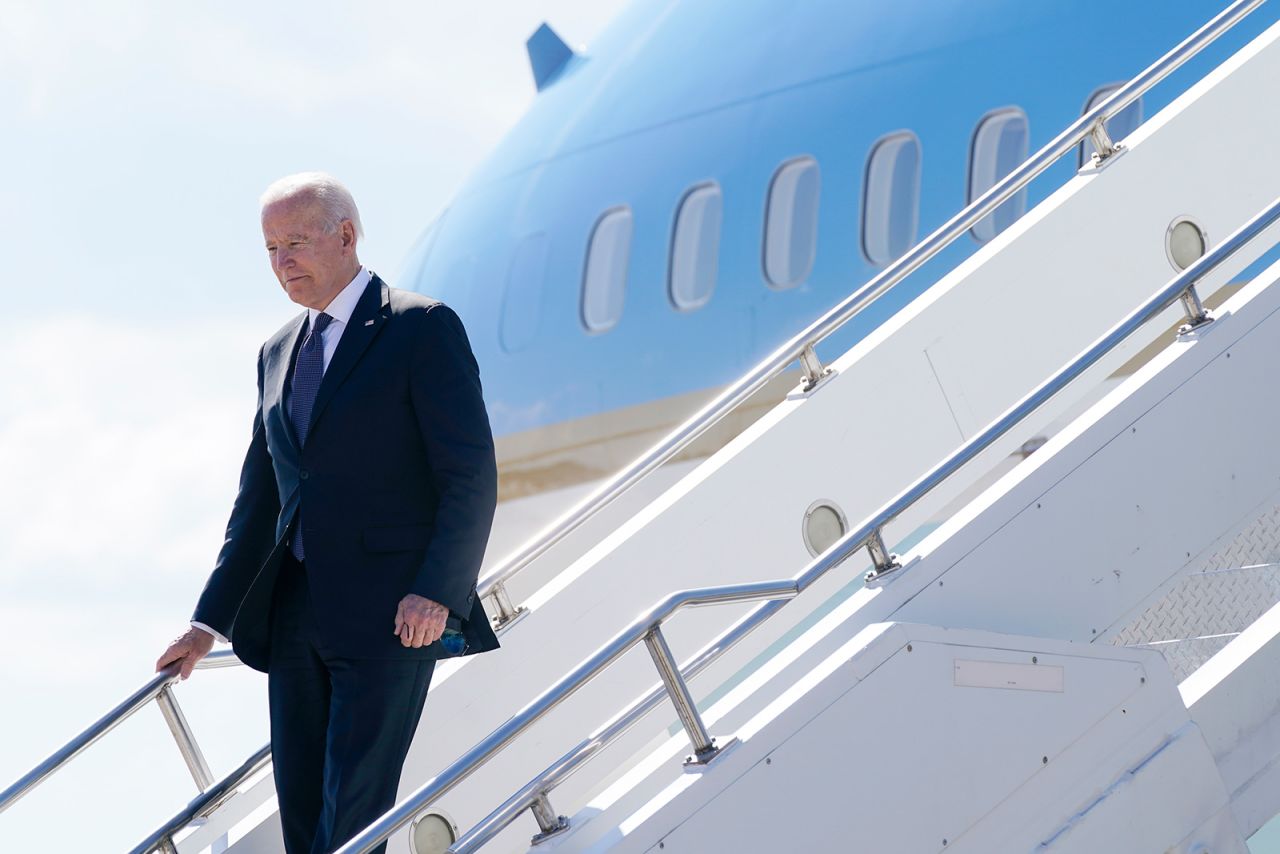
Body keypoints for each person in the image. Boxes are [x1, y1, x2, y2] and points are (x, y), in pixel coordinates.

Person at [154, 172, 499, 854]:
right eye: (271, 248)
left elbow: (470, 474)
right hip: (295, 614)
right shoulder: (277, 350)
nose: (283, 262)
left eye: (296, 243)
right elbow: (260, 499)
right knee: (304, 815)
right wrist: (206, 623)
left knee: (355, 811)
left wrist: (437, 590)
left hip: (392, 614)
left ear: (345, 236)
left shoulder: (420, 327)